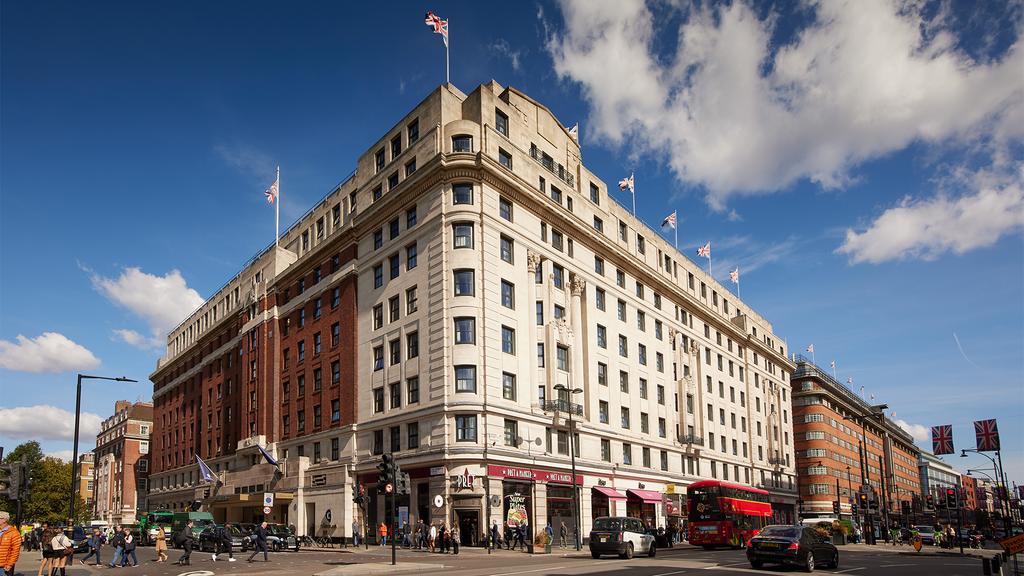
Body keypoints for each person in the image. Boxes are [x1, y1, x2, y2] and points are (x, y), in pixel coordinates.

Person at [0, 512, 22, 576]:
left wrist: (10, 564)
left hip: (4, 566)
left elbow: (15, 551)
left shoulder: (14, 533)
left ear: (4, 520)